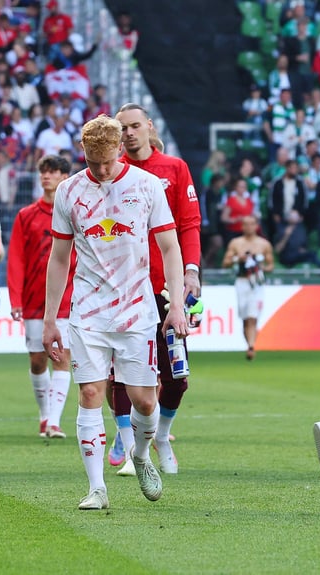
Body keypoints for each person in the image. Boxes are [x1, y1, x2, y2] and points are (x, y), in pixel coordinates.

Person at [44, 115, 188, 511]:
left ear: (119, 151)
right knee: (90, 392)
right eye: (93, 162)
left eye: (107, 161)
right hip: (87, 310)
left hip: (137, 309)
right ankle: (96, 488)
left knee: (144, 401)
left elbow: (170, 248)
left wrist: (175, 306)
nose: (101, 170)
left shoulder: (146, 186)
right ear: (84, 154)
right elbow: (59, 258)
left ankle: (140, 455)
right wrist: (50, 318)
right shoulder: (70, 191)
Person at [110, 103, 202, 476]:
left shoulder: (174, 169)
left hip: (169, 289)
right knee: (121, 373)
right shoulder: (112, 173)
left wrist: (192, 272)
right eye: (123, 129)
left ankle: (161, 436)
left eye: (135, 126)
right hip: (126, 288)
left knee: (176, 375)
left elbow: (190, 225)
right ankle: (129, 444)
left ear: (149, 126)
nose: (130, 133)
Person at [8, 155, 75, 439]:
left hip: (69, 298)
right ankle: (44, 414)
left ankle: (53, 421)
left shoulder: (74, 212)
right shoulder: (27, 215)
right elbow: (16, 259)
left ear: (64, 177)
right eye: (44, 172)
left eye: (53, 172)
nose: (46, 177)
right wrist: (15, 300)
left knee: (62, 357)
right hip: (35, 299)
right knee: (37, 360)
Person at [221, 215, 274, 361]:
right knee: (245, 317)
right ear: (242, 226)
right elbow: (226, 262)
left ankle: (251, 346)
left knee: (252, 316)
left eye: (251, 224)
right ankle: (249, 343)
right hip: (242, 281)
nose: (248, 227)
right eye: (245, 224)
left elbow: (271, 265)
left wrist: (259, 265)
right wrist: (239, 259)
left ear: (256, 225)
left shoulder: (264, 244)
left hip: (256, 283)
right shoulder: (236, 243)